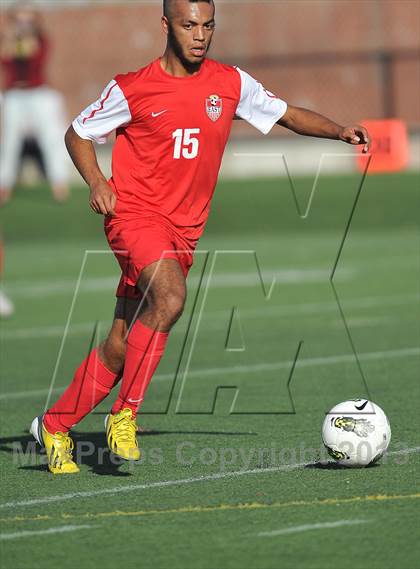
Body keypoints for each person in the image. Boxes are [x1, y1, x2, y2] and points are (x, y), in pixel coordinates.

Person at [30, 0, 370, 474]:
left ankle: (54, 424)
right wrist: (97, 181)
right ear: (166, 25)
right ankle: (125, 413)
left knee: (123, 339)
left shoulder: (230, 84)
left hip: (183, 231)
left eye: (208, 25)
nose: (200, 35)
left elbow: (287, 114)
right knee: (169, 297)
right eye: (190, 25)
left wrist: (338, 131)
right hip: (133, 216)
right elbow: (78, 133)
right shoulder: (133, 87)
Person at [0, 5, 69, 204]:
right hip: (14, 94)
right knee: (10, 141)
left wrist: (25, 38)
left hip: (39, 93)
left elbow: (35, 60)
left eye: (27, 21)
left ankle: (59, 183)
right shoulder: (8, 40)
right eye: (19, 21)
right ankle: (4, 185)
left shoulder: (42, 40)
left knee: (50, 138)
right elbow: (6, 62)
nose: (23, 25)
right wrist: (10, 38)